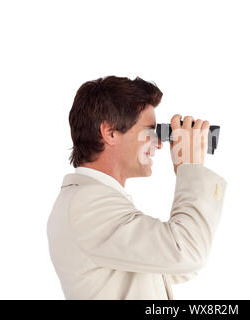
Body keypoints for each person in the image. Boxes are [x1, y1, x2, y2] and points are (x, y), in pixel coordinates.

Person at [46, 76, 227, 299]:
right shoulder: (87, 204)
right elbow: (187, 252)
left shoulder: (91, 201)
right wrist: (190, 169)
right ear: (110, 132)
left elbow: (179, 266)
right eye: (150, 130)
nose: (160, 144)